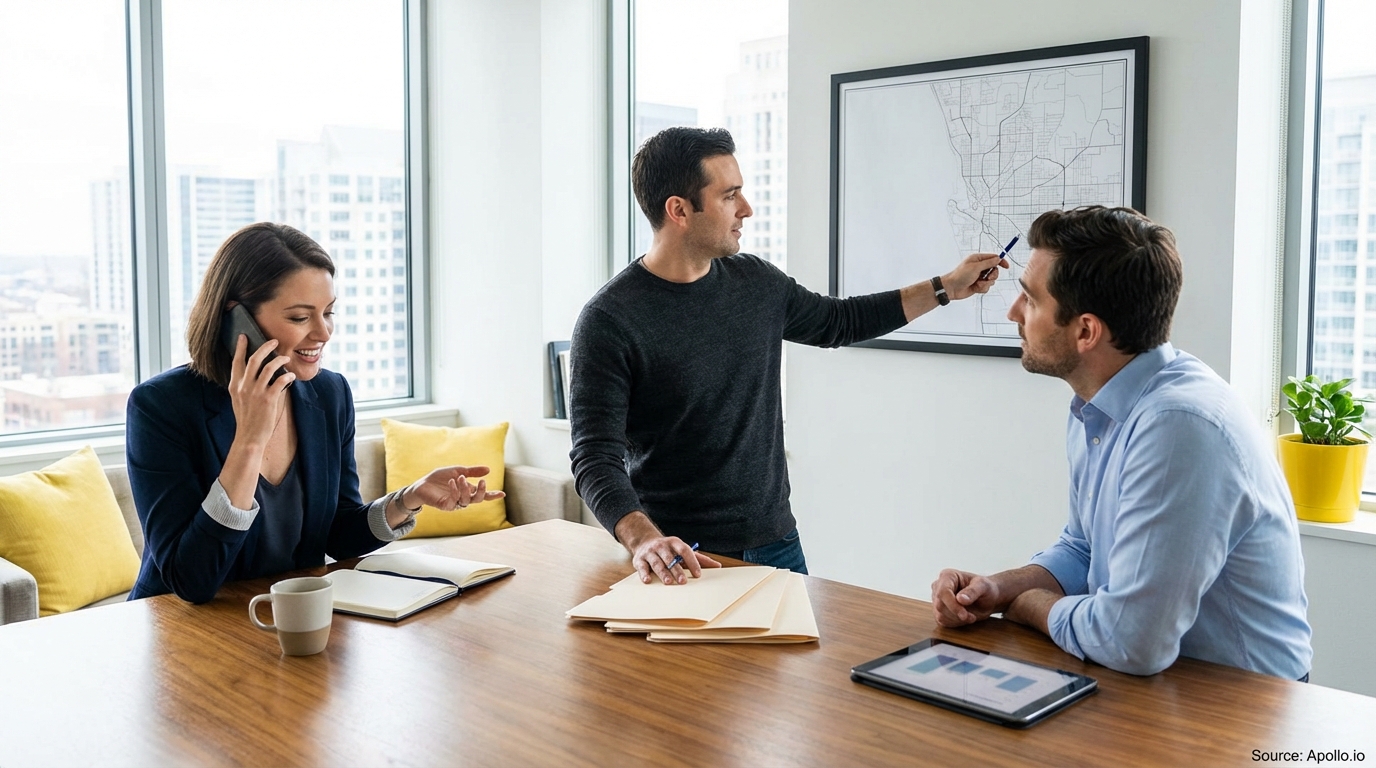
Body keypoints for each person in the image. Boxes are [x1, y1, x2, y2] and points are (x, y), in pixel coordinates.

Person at [570, 126, 1007, 585]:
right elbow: (594, 458)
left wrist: (945, 288)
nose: (747, 210)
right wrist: (644, 540)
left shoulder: (756, 283)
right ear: (679, 210)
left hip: (777, 542)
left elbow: (841, 321)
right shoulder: (609, 321)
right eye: (729, 196)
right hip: (681, 558)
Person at [930, 206, 1313, 679]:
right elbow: (1083, 549)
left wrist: (1028, 605)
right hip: (1157, 686)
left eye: (1029, 300)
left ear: (1086, 331)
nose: (1013, 312)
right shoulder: (1102, 401)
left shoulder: (1179, 428)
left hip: (1243, 709)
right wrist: (998, 588)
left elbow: (1131, 641)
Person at [126, 222, 503, 603]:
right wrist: (250, 441)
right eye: (300, 318)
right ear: (236, 319)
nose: (323, 333)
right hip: (184, 629)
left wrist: (408, 498)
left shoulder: (329, 394)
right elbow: (190, 580)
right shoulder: (160, 407)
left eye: (329, 313)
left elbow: (338, 535)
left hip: (289, 617)